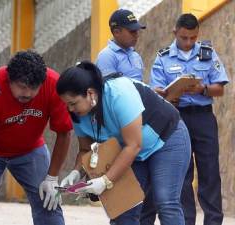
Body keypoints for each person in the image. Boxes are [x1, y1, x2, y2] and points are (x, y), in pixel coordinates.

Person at [57, 61, 191, 225]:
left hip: (167, 139)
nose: (70, 109)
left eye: (73, 103)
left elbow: (133, 145)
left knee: (165, 201)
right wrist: (76, 173)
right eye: (66, 104)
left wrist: (105, 180)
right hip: (132, 152)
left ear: (90, 93)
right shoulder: (78, 113)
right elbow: (86, 149)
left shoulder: (118, 93)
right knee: (124, 209)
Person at [0, 50, 72, 225]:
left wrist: (52, 177)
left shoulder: (54, 84)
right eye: (21, 86)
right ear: (8, 79)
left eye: (33, 88)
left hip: (30, 149)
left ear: (42, 83)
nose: (26, 93)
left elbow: (64, 132)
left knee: (49, 202)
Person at [141, 13, 229, 225]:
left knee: (209, 171)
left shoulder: (208, 54)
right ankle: (186, 221)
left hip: (203, 119)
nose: (188, 42)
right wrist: (168, 96)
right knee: (182, 173)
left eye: (193, 37)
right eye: (184, 38)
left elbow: (220, 88)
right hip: (176, 120)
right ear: (175, 33)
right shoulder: (163, 57)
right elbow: (156, 91)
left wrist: (203, 89)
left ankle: (214, 221)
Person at [95, 9, 146, 81]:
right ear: (116, 32)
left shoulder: (135, 55)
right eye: (132, 31)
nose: (137, 35)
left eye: (137, 31)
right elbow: (110, 89)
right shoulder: (107, 56)